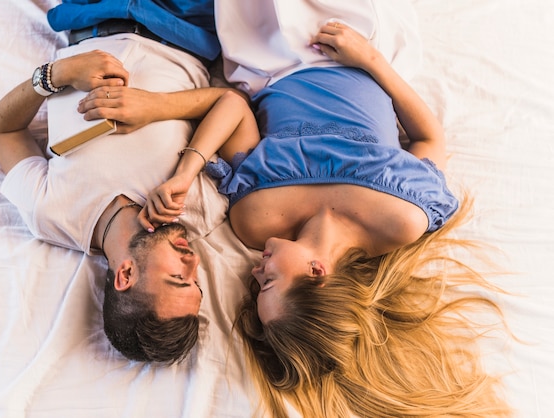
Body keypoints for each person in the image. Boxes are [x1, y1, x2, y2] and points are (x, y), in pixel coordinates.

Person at [110, 18, 511, 418]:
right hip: (350, 49)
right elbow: (429, 139)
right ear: (317, 271)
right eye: (268, 282)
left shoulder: (254, 220)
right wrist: (371, 60)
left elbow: (235, 111)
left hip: (263, 58)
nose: (255, 273)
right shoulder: (402, 220)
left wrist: (186, 172)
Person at [0, 0, 231, 364]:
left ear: (126, 275)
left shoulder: (49, 212)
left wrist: (58, 74)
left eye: (179, 277)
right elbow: (232, 103)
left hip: (91, 16)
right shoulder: (197, 210)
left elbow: (2, 128)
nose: (193, 262)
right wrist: (155, 108)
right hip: (182, 28)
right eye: (195, 281)